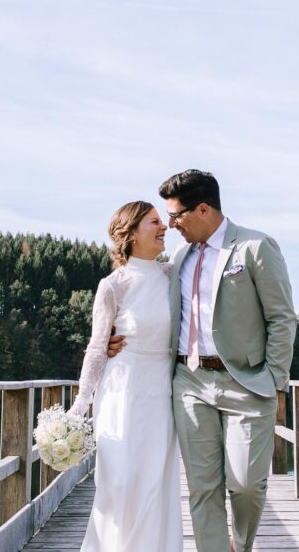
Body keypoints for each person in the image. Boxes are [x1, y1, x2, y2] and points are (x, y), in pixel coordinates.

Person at [109, 170, 296, 552]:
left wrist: (275, 377)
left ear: (204, 209)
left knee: (245, 484)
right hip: (190, 383)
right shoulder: (178, 257)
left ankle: (240, 546)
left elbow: (282, 317)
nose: (170, 225)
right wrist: (116, 339)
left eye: (176, 216)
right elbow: (138, 288)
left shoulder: (255, 247)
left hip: (247, 383)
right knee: (203, 487)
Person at [68, 200, 182, 551]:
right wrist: (78, 406)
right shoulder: (113, 285)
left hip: (161, 393)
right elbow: (97, 347)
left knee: (154, 484)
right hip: (121, 391)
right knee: (119, 481)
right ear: (131, 234)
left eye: (164, 221)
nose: (163, 227)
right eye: (154, 222)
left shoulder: (172, 275)